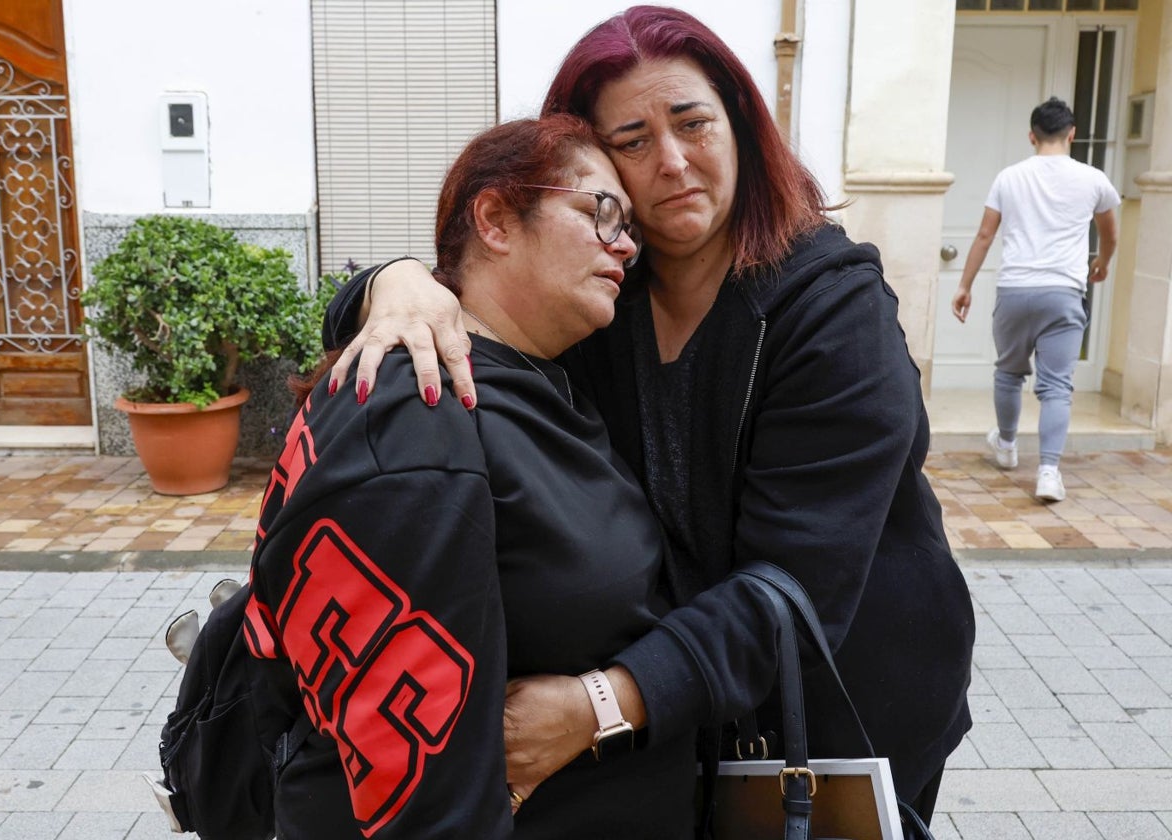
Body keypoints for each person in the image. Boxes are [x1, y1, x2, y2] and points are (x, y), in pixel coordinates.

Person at [325, 5, 975, 828]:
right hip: (680, 716)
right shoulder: (604, 294)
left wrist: (600, 703)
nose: (671, 162)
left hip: (842, 711)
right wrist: (394, 282)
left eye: (693, 123)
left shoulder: (834, 310)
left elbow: (796, 586)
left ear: (740, 125)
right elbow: (474, 308)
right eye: (631, 142)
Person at [242, 114, 697, 839]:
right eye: (599, 210)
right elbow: (419, 789)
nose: (624, 245)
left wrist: (388, 277)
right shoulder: (417, 409)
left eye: (632, 229)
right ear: (495, 219)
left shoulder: (534, 382)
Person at [952, 96, 1120, 503]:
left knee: (1009, 373)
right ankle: (1048, 472)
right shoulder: (1093, 179)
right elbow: (1110, 232)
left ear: (1032, 135)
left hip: (1015, 290)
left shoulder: (1009, 177)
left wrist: (965, 284)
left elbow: (985, 235)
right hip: (1063, 291)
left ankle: (1007, 446)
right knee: (1057, 387)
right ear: (1072, 134)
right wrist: (1102, 261)